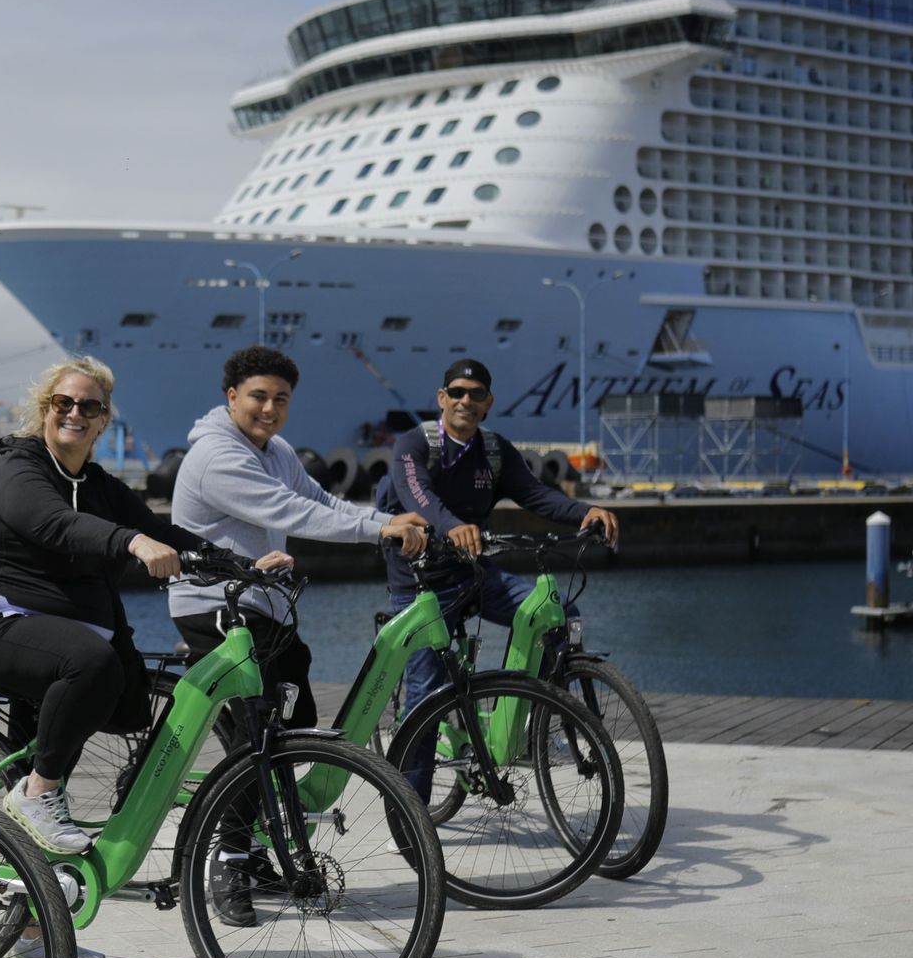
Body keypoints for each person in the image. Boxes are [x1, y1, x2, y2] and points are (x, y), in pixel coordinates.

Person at [0, 357, 284, 958]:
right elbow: (55, 524)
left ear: (104, 420)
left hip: (63, 641)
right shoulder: (18, 468)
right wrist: (130, 542)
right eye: (64, 403)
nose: (75, 413)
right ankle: (37, 792)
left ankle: (31, 933)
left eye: (90, 406)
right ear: (46, 408)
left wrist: (238, 565)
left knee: (119, 699)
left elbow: (160, 529)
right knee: (89, 667)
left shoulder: (99, 485)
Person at [169, 345, 425, 925]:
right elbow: (293, 513)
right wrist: (377, 530)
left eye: (280, 399)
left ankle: (263, 841)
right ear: (231, 397)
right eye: (258, 397)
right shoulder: (216, 456)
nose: (269, 409)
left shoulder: (277, 451)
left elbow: (320, 500)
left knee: (296, 723)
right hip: (214, 607)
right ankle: (230, 859)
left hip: (266, 606)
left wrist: (383, 519)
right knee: (256, 737)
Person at [374, 358, 620, 714]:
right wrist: (453, 526)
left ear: (488, 402)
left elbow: (535, 493)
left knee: (558, 613)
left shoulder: (494, 451)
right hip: (420, 585)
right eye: (457, 392)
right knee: (427, 695)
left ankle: (537, 718)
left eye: (476, 394)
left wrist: (586, 511)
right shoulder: (414, 445)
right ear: (442, 398)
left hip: (473, 575)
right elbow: (418, 495)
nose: (466, 401)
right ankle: (414, 753)